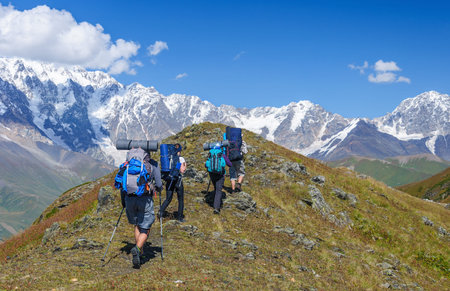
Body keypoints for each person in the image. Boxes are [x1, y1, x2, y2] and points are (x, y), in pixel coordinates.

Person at [115, 147, 162, 268]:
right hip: (144, 199)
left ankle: (140, 253)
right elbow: (159, 184)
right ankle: (137, 248)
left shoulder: (127, 165)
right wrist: (157, 189)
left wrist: (124, 202)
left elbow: (121, 184)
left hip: (129, 198)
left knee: (137, 224)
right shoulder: (152, 165)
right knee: (146, 226)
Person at [159, 143, 187, 222]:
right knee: (180, 199)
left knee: (168, 198)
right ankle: (179, 217)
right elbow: (182, 170)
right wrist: (183, 166)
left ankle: (160, 212)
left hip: (169, 179)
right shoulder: (180, 159)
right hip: (178, 180)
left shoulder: (168, 158)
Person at [205, 144, 232, 214]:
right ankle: (216, 208)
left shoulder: (211, 154)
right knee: (219, 190)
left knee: (216, 188)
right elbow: (229, 164)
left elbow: (206, 164)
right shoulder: (221, 154)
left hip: (212, 174)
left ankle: (214, 201)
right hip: (220, 174)